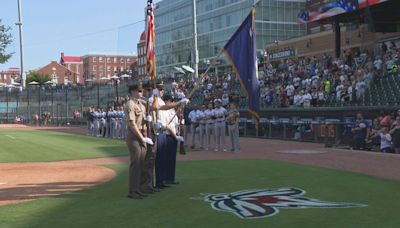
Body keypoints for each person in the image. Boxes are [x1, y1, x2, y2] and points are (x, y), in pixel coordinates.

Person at [125, 83, 154, 199]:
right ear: (132, 91)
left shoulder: (140, 104)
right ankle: (133, 191)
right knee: (136, 164)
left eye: (141, 91)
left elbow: (151, 107)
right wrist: (141, 138)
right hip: (134, 136)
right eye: (139, 91)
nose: (141, 93)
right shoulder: (130, 104)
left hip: (143, 134)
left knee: (142, 163)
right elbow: (132, 124)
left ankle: (139, 189)